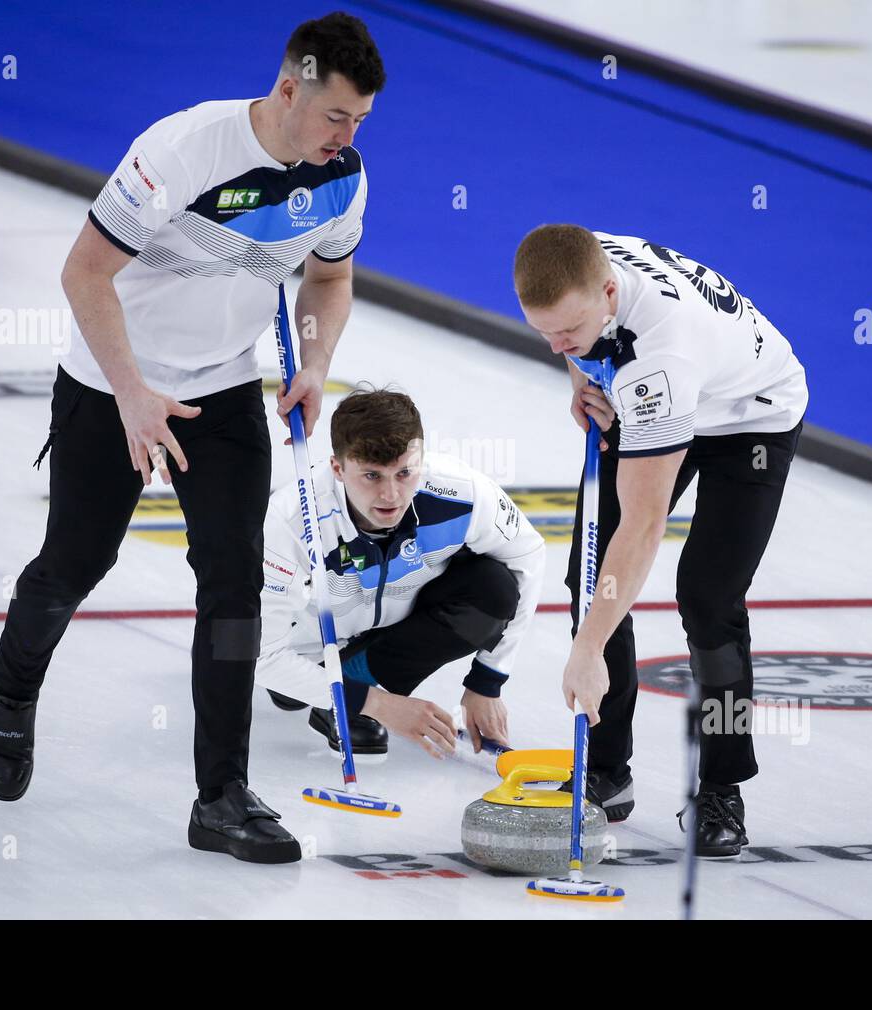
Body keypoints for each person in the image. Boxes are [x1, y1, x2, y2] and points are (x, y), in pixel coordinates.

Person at [0, 12, 385, 865]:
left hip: (224, 386)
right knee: (77, 563)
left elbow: (331, 278)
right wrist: (131, 394)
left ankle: (221, 797)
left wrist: (314, 362)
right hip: (112, 381)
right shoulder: (181, 151)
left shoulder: (341, 177)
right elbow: (83, 272)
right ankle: (13, 693)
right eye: (335, 116)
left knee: (233, 585)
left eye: (360, 122)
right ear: (288, 90)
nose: (346, 138)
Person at [513, 225, 808, 857]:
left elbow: (642, 527)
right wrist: (582, 376)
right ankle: (607, 771)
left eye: (570, 331)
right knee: (591, 578)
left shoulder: (660, 361)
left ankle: (723, 786)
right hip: (664, 392)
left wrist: (588, 649)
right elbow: (581, 335)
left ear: (610, 294)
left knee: (708, 597)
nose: (559, 344)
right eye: (547, 334)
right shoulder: (579, 262)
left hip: (750, 415)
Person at [257, 388, 545, 758]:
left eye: (405, 473)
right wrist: (380, 705)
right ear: (337, 468)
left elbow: (528, 556)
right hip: (313, 649)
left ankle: (358, 681)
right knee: (287, 692)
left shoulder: (461, 493)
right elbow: (262, 658)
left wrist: (488, 680)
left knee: (494, 589)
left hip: (401, 618)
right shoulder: (290, 520)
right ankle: (347, 689)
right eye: (372, 476)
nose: (391, 495)